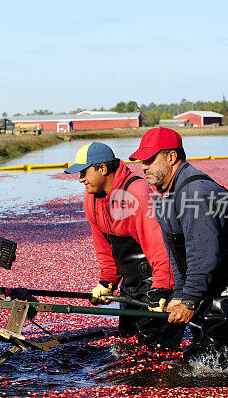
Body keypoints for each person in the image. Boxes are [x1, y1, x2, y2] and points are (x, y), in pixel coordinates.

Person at [129, 127, 228, 362]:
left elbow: (203, 254)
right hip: (217, 270)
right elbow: (176, 254)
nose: (143, 167)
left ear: (171, 157)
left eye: (150, 160)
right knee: (199, 335)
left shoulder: (195, 193)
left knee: (213, 344)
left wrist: (190, 300)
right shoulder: (163, 198)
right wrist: (178, 294)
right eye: (142, 161)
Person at [64, 142, 182, 349]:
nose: (80, 179)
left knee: (156, 349)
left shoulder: (137, 193)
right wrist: (107, 281)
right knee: (128, 344)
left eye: (84, 172)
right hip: (130, 283)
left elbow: (159, 246)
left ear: (102, 169)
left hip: (156, 279)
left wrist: (162, 289)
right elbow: (104, 244)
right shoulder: (91, 198)